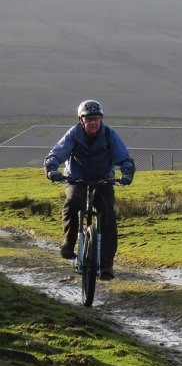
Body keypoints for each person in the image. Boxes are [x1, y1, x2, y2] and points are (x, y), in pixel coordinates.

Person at [44, 100, 135, 280]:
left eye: (96, 118)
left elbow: (123, 157)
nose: (93, 122)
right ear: (81, 120)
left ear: (100, 119)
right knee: (73, 202)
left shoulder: (109, 135)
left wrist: (127, 173)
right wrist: (52, 169)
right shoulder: (73, 134)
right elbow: (57, 153)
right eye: (88, 119)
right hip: (76, 178)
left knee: (107, 215)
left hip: (103, 179)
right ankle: (69, 243)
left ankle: (107, 265)